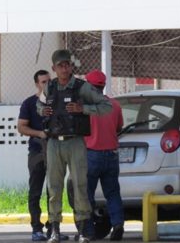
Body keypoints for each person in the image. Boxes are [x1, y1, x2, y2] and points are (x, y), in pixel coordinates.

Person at [37, 49, 112, 243]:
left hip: (76, 142)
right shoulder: (50, 87)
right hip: (54, 142)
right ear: (54, 68)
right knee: (54, 187)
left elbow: (106, 106)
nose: (64, 68)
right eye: (60, 65)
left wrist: (83, 108)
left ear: (71, 66)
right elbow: (39, 104)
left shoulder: (82, 87)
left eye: (67, 65)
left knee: (80, 185)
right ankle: (54, 228)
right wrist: (43, 110)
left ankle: (84, 229)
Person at [17, 70, 70, 242]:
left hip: (56, 150)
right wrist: (39, 133)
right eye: (43, 82)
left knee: (54, 190)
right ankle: (36, 228)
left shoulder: (57, 101)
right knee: (35, 190)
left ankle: (53, 228)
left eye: (49, 81)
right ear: (36, 84)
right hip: (37, 151)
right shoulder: (29, 103)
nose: (47, 84)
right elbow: (21, 127)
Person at [84, 70, 125, 241]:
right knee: (113, 192)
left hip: (91, 155)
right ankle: (117, 224)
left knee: (87, 194)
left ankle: (88, 230)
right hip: (112, 155)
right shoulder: (114, 105)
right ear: (103, 86)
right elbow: (119, 128)